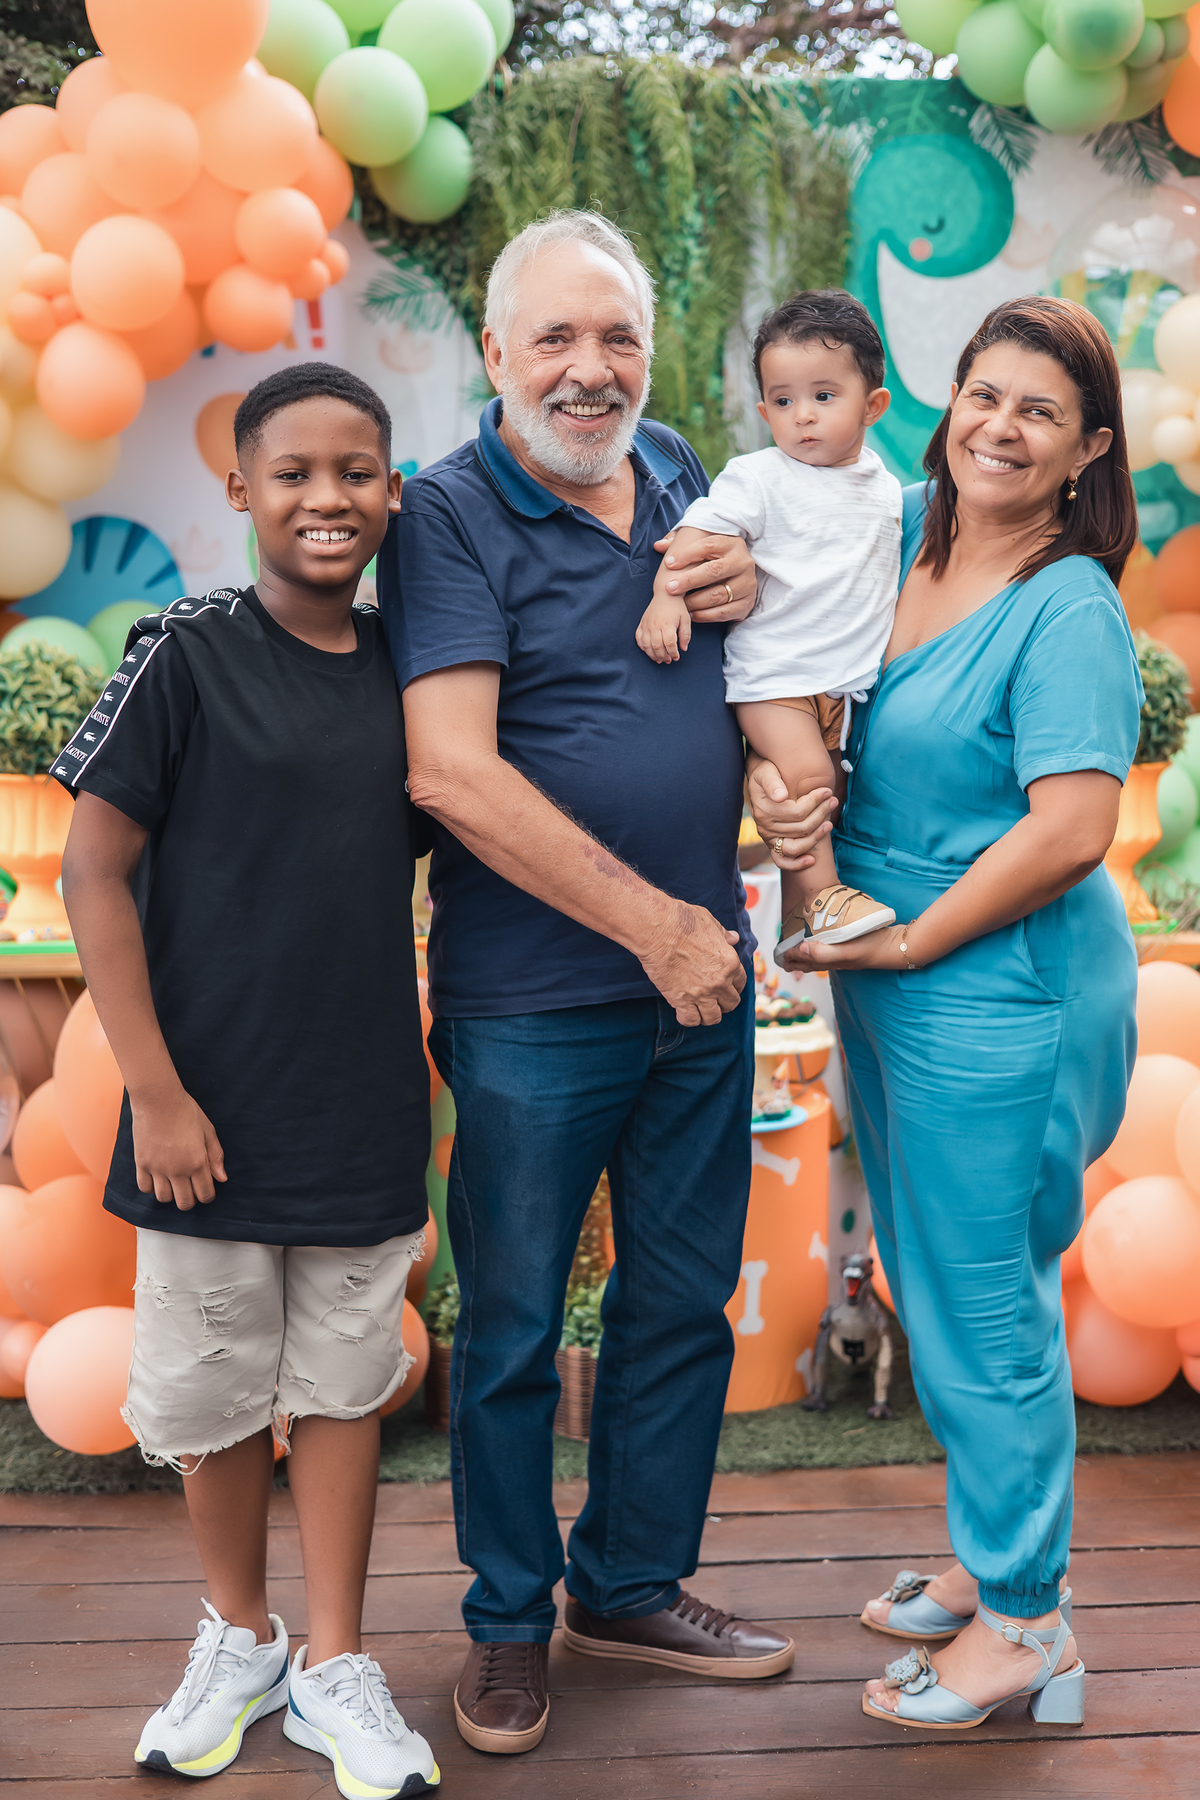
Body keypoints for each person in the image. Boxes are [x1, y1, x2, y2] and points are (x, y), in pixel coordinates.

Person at [378, 209, 798, 1759]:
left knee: (679, 1304)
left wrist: (749, 584)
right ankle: (506, 1625)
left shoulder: (677, 469)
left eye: (617, 335)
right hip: (535, 1005)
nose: (589, 367)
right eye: (554, 335)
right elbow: (450, 773)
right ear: (496, 352)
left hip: (701, 993)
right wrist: (660, 928)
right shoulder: (447, 513)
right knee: (508, 1328)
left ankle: (627, 1585)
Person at [750, 295, 1141, 1729]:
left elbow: (1073, 829)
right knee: (927, 1274)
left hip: (996, 983)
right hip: (893, 972)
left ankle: (1029, 1624)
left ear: (1087, 449)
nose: (1002, 428)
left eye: (1042, 412)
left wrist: (910, 940)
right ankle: (991, 1558)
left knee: (986, 1301)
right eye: (986, 394)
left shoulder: (1068, 603)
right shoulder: (903, 534)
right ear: (948, 400)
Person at [56, 364, 441, 1797]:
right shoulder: (184, 652)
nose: (327, 498)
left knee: (344, 1386)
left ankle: (335, 1662)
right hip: (200, 1116)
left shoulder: (414, 671)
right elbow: (92, 874)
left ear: (393, 493)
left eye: (357, 473)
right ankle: (241, 1635)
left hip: (358, 1100)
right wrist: (155, 1094)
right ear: (241, 489)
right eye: (293, 473)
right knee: (215, 1390)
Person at [637, 290, 901, 957]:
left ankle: (794, 921)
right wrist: (667, 597)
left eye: (824, 396)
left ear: (872, 405)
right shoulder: (758, 477)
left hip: (844, 686)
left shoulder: (884, 488)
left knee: (826, 790)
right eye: (783, 401)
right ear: (764, 411)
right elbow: (695, 535)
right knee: (808, 783)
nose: (802, 416)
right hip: (774, 680)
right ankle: (827, 897)